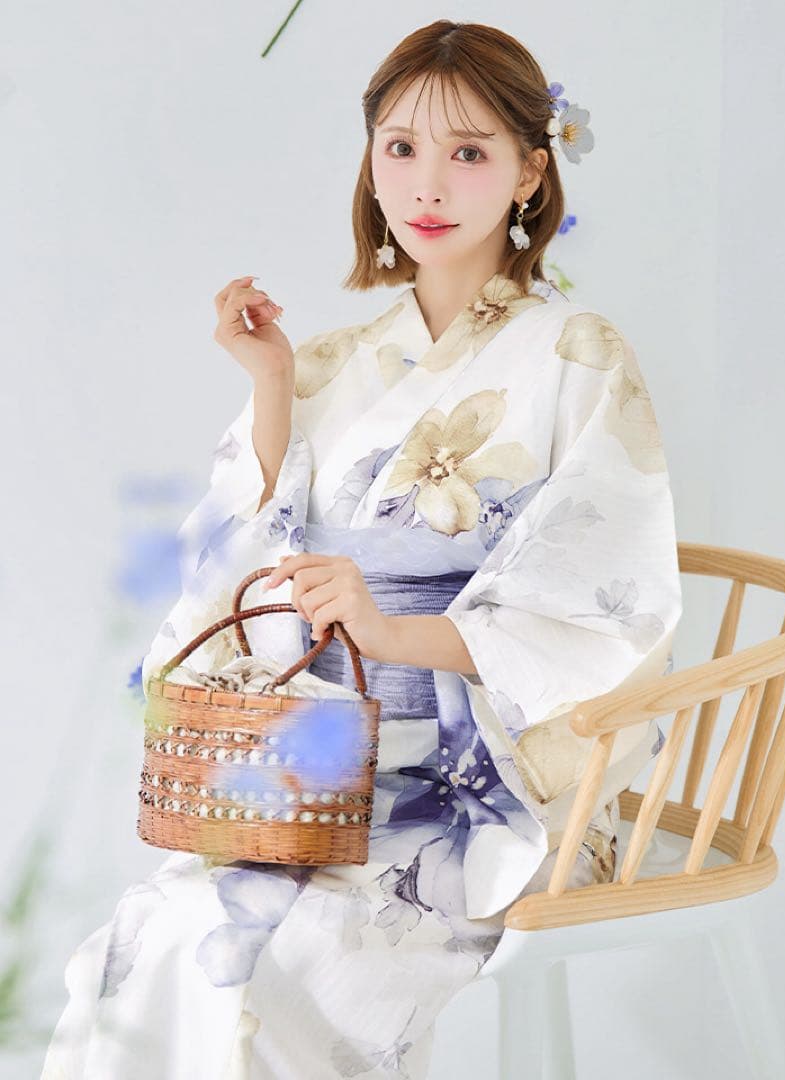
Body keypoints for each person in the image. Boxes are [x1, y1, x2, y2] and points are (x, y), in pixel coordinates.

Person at [41, 18, 681, 1079]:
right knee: (159, 940)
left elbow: (603, 604)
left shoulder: (578, 353)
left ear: (530, 172)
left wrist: (389, 632)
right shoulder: (332, 361)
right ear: (372, 161)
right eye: (401, 147)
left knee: (283, 968)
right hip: (311, 781)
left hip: (474, 785)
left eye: (468, 152)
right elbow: (239, 573)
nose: (427, 183)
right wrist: (270, 387)